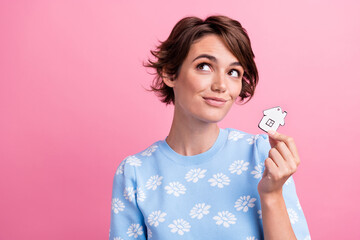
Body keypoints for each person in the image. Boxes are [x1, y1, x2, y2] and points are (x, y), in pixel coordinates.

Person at [109, 15, 311, 240]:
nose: (221, 85)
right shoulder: (135, 172)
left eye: (233, 72)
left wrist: (272, 194)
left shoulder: (263, 156)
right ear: (169, 73)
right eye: (204, 66)